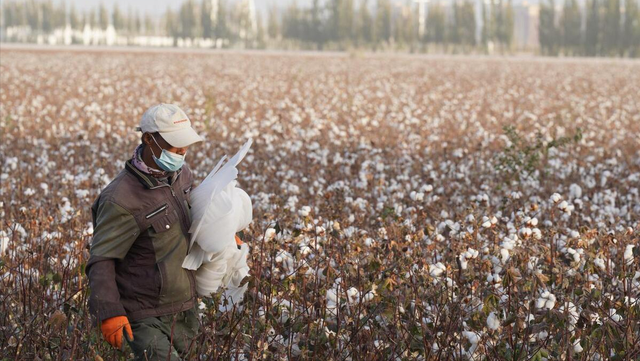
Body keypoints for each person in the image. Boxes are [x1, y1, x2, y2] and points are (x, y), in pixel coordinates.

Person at [86, 103, 204, 360]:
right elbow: (102, 259)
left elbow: (195, 217)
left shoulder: (182, 175)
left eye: (185, 144)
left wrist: (225, 233)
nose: (182, 151)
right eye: (174, 145)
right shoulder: (121, 199)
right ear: (149, 139)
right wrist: (109, 311)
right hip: (143, 315)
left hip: (185, 308)